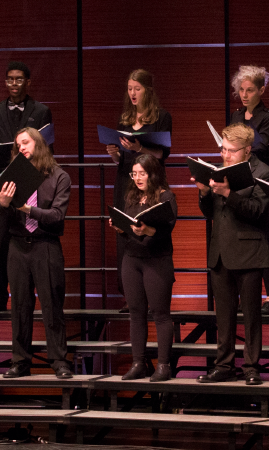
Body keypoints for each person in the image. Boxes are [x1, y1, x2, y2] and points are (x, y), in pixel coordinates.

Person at [195, 123, 269, 386]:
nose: (225, 155)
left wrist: (228, 193)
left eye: (231, 150)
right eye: (223, 149)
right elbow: (211, 213)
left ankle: (251, 367)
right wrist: (205, 193)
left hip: (250, 252)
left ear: (247, 150)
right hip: (220, 252)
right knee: (224, 316)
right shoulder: (219, 171)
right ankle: (224, 365)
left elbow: (257, 211)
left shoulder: (264, 173)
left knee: (251, 316)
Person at [0, 128, 72, 379]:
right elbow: (2, 221)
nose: (22, 148)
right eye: (18, 145)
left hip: (45, 245)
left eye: (25, 143)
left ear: (38, 144)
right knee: (19, 305)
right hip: (17, 246)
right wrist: (5, 205)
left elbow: (57, 216)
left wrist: (27, 209)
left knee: (51, 304)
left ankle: (59, 360)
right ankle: (20, 361)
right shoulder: (12, 177)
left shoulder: (58, 176)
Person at [0, 61, 53, 313]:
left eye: (19, 79)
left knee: (33, 236)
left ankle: (30, 295)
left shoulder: (42, 111)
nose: (14, 84)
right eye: (9, 79)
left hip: (34, 181)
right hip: (3, 181)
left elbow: (48, 148)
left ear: (28, 82)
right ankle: (0, 295)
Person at [107, 69, 172, 313]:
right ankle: (131, 295)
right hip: (125, 179)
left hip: (152, 179)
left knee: (151, 230)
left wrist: (140, 146)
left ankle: (153, 291)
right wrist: (115, 155)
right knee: (125, 232)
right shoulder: (125, 118)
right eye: (130, 88)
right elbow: (121, 158)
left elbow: (162, 154)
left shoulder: (162, 117)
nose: (132, 93)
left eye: (137, 88)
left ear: (148, 90)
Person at [110, 153, 177, 382]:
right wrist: (121, 227)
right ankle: (138, 363)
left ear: (153, 174)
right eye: (135, 173)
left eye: (143, 173)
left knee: (160, 314)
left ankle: (164, 366)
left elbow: (167, 229)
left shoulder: (166, 196)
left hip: (157, 259)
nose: (138, 178)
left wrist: (148, 231)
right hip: (132, 258)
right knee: (136, 314)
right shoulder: (131, 196)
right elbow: (130, 225)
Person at [227, 65, 269, 315]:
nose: (244, 95)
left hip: (260, 176)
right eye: (241, 90)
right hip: (239, 176)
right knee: (239, 233)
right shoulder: (236, 115)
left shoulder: (268, 117)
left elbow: (262, 146)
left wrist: (247, 130)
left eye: (250, 90)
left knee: (263, 237)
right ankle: (242, 296)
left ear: (261, 90)